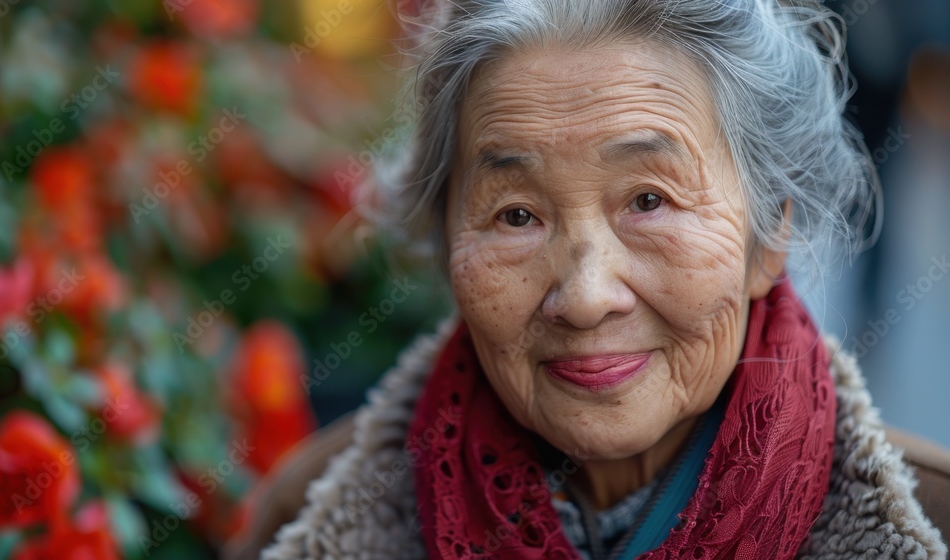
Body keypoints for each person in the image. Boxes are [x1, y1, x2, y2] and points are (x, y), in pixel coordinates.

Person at [261, 1, 947, 558]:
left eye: (649, 201)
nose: (587, 298)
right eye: (517, 214)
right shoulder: (313, 512)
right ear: (446, 247)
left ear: (770, 238)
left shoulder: (934, 522)